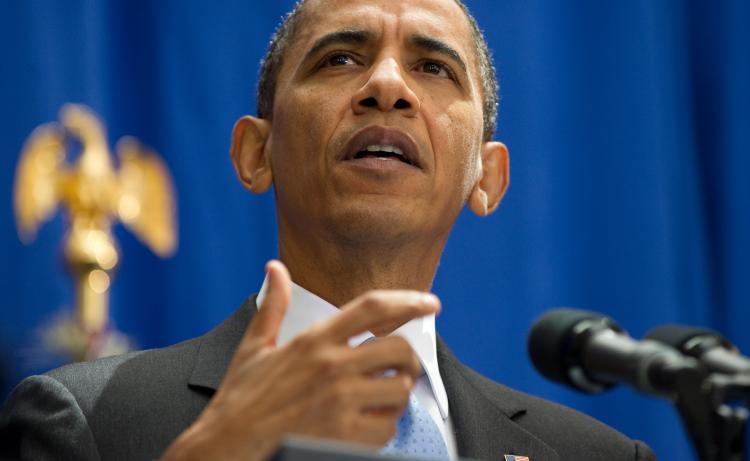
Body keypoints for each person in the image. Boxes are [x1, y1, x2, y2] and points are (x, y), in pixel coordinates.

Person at [0, 0, 657, 460]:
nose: (388, 86)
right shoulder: (87, 419)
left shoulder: (592, 453)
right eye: (340, 59)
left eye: (433, 67)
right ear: (256, 153)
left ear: (487, 177)